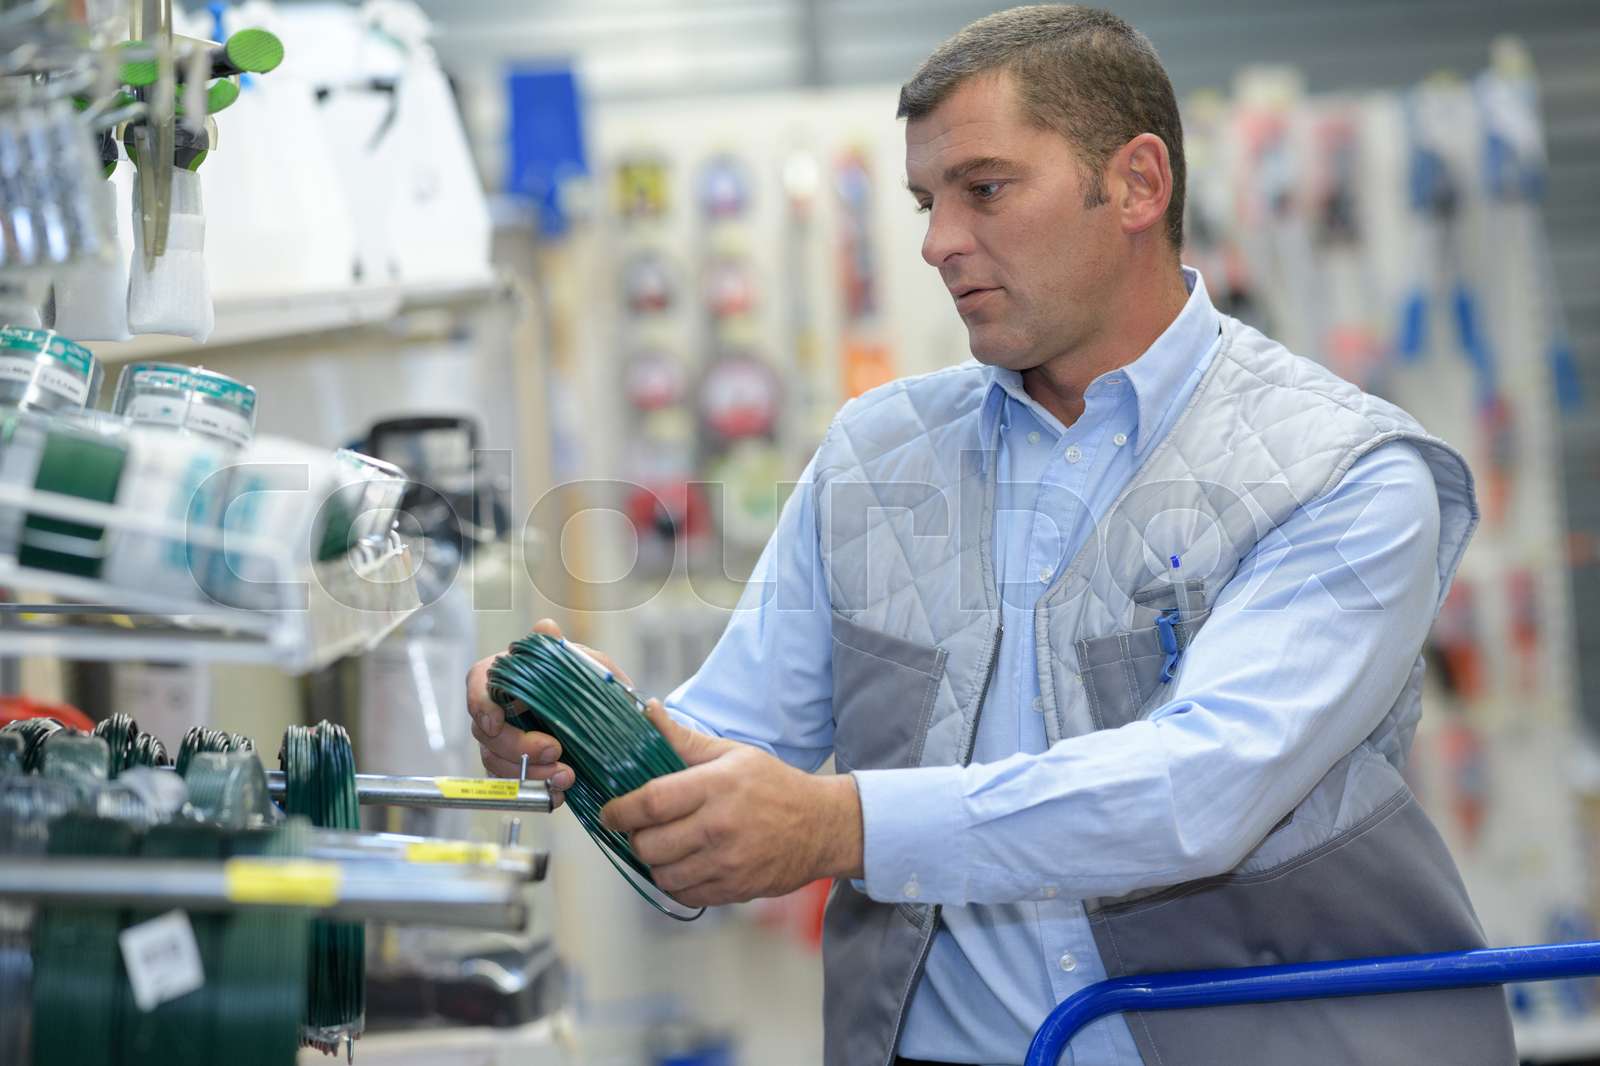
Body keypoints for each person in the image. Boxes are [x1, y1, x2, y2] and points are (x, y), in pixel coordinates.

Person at [468, 6, 1513, 1064]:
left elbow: (1198, 789)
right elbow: (736, 738)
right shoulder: (877, 455)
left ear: (1137, 185)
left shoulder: (1344, 473)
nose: (935, 243)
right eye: (928, 202)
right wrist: (590, 733)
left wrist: (842, 825)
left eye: (986, 189)